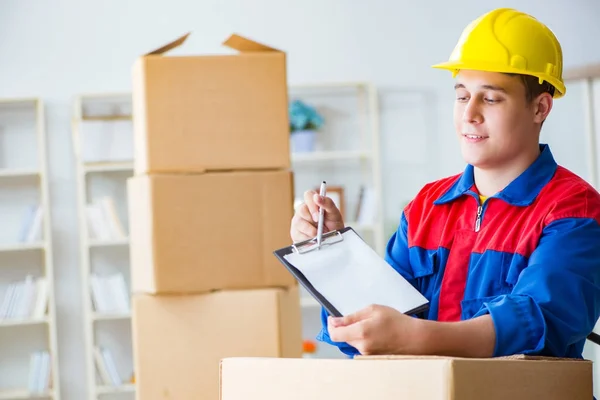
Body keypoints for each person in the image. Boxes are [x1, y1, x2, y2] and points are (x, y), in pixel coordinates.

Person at [290, 7, 600, 359]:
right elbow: (371, 325)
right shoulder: (426, 206)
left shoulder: (573, 209)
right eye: (462, 95)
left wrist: (414, 337)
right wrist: (335, 255)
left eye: (492, 97)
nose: (470, 113)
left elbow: (542, 322)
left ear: (540, 108)